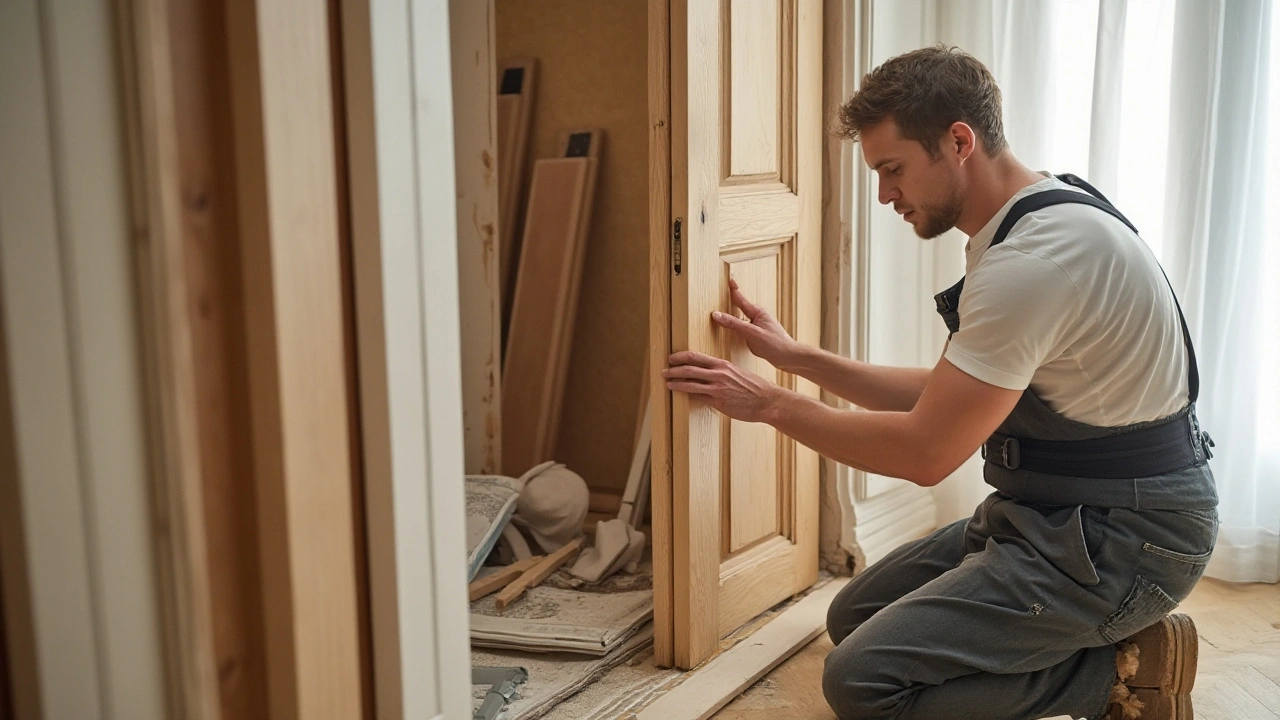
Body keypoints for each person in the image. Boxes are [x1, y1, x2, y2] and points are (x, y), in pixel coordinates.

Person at [662, 45, 1217, 720]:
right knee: (855, 614)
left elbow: (926, 453)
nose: (884, 194)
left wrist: (771, 405)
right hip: (1056, 512)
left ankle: (1122, 674)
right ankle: (1065, 642)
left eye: (892, 170)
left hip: (1123, 539)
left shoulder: (1035, 260)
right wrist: (797, 358)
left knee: (862, 681)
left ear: (959, 141)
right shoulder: (1036, 214)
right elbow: (954, 392)